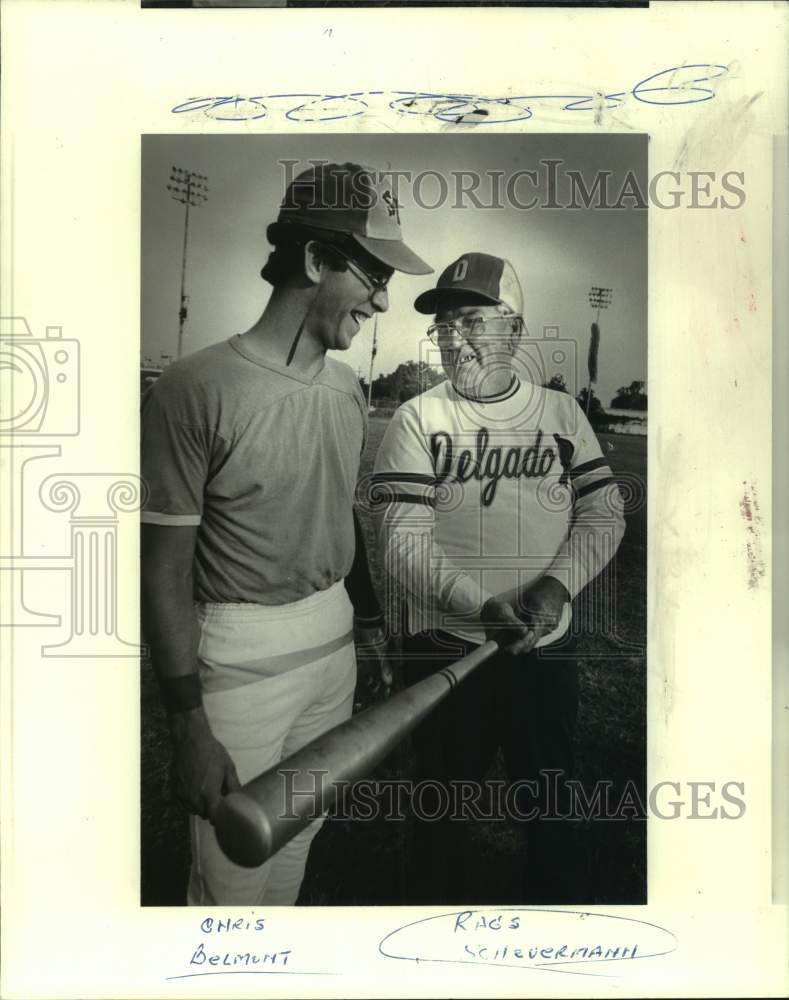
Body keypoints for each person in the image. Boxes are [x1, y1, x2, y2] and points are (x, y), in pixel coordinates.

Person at [141, 161, 432, 906]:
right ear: (313, 260)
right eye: (370, 272)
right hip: (241, 658)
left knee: (298, 846)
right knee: (230, 879)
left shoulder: (346, 389)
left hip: (331, 645)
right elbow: (164, 569)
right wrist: (187, 726)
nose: (382, 297)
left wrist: (364, 625)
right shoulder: (194, 387)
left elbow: (342, 519)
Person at [371, 252, 625, 903]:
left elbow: (603, 510)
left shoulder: (561, 415)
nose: (453, 336)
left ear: (513, 330)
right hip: (444, 644)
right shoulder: (417, 418)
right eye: (445, 323)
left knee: (550, 801)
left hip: (544, 648)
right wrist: (478, 604)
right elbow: (401, 541)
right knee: (438, 809)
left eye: (471, 321)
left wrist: (558, 584)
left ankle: (556, 940)